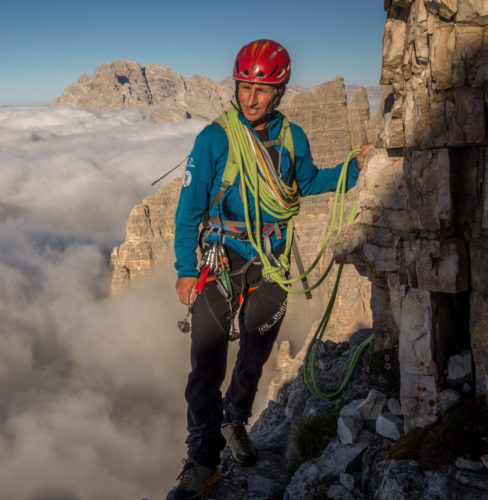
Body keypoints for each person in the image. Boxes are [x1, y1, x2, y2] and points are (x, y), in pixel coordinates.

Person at [166, 39, 371, 499]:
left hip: (271, 260)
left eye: (260, 90)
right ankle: (202, 460)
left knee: (255, 356)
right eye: (243, 87)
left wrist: (353, 169)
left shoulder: (291, 137)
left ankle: (235, 420)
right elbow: (188, 210)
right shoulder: (215, 139)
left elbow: (308, 181)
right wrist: (184, 268)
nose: (249, 98)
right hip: (220, 261)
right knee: (205, 364)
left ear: (278, 91)